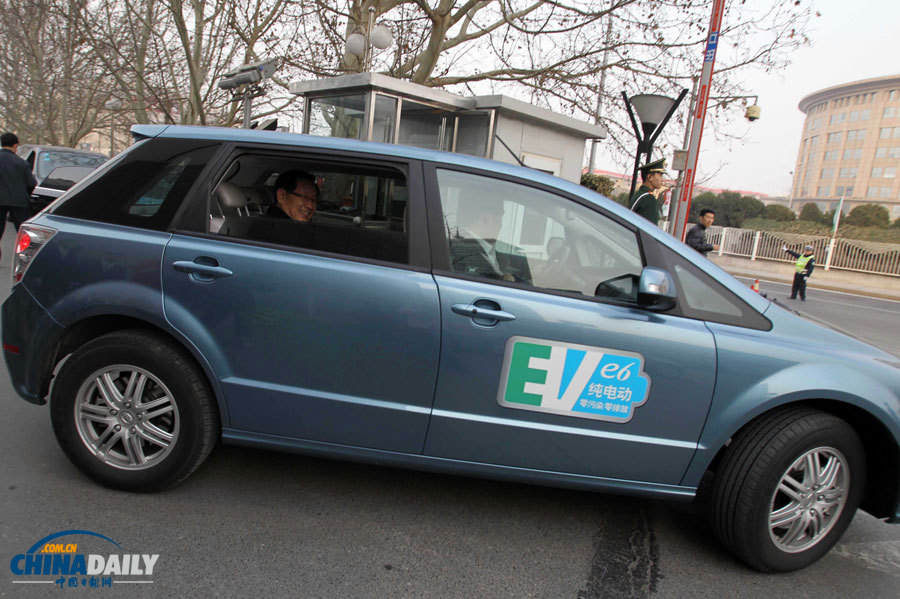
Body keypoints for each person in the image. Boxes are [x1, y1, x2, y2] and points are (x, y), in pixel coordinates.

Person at [449, 197, 531, 284]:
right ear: (485, 218)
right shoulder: (464, 254)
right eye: (500, 218)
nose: (501, 225)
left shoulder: (489, 251)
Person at [0, 132, 38, 240]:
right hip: (19, 201)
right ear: (15, 145)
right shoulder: (22, 163)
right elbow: (31, 183)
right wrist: (26, 193)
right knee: (23, 235)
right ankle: (24, 255)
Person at [630, 158, 666, 224]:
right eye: (660, 176)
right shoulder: (648, 199)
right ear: (650, 177)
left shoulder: (641, 195)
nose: (662, 180)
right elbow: (650, 228)